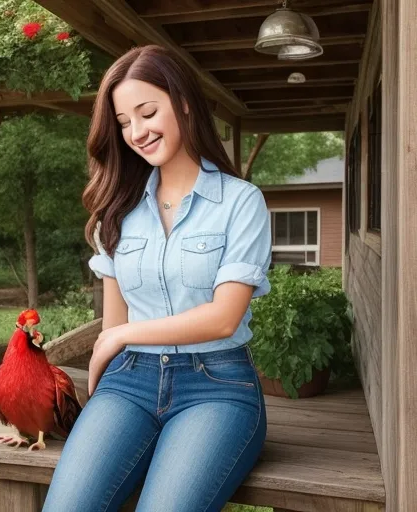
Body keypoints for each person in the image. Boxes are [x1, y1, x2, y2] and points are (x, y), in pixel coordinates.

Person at [41, 45, 272, 512]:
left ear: (183, 101)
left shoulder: (241, 202)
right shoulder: (117, 210)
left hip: (217, 387)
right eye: (124, 123)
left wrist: (121, 335)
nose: (137, 132)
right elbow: (113, 321)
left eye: (147, 113)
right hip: (128, 383)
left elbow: (224, 317)